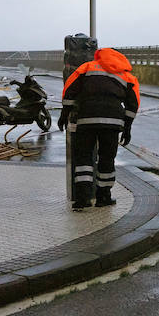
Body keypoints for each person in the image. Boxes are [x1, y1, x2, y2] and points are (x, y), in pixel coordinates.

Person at [59, 48, 140, 210]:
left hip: (87, 119)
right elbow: (133, 103)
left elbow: (70, 90)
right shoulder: (126, 76)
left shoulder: (87, 68)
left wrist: (64, 114)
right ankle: (104, 197)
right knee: (107, 159)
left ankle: (82, 199)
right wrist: (127, 127)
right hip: (112, 123)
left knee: (83, 158)